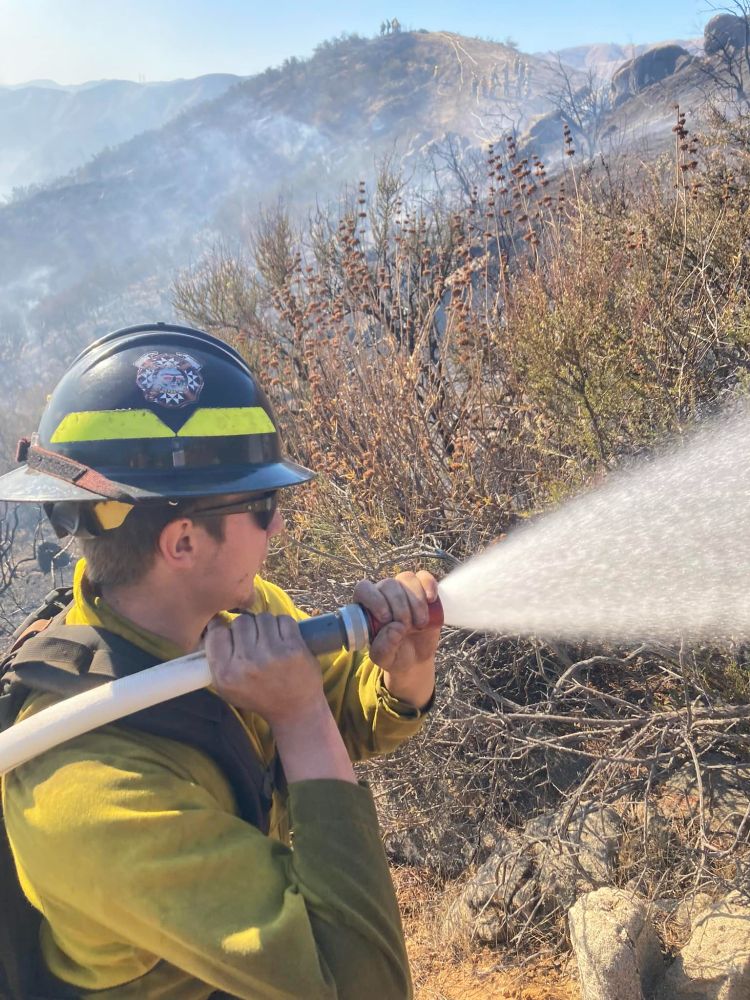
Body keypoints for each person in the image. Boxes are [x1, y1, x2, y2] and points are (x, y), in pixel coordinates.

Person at [0, 323, 440, 999]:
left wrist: (401, 676)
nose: (282, 524)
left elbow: (339, 717)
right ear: (181, 543)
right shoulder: (90, 789)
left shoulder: (235, 612)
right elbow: (362, 985)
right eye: (263, 505)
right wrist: (295, 717)